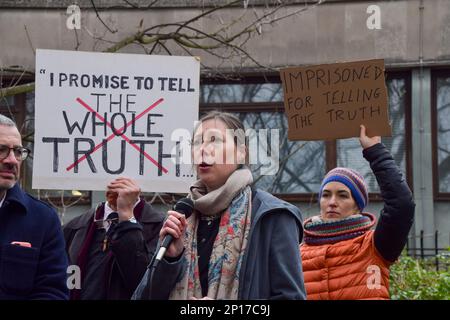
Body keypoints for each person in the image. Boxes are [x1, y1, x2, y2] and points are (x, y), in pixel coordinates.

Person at [134, 111, 306, 300]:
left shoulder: (272, 216)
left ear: (241, 152)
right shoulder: (181, 216)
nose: (203, 149)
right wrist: (171, 258)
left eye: (215, 140)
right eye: (197, 142)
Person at [300, 125, 415, 300]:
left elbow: (402, 205)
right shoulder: (297, 253)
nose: (332, 202)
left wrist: (375, 151)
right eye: (326, 195)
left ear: (357, 206)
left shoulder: (374, 247)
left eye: (342, 195)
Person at [0, 114, 69, 299]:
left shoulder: (42, 219)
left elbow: (52, 291)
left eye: (18, 152)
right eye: (1, 150)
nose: (12, 160)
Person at [63, 177, 165, 299]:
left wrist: (127, 218)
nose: (119, 183)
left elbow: (148, 287)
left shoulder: (161, 228)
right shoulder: (73, 228)